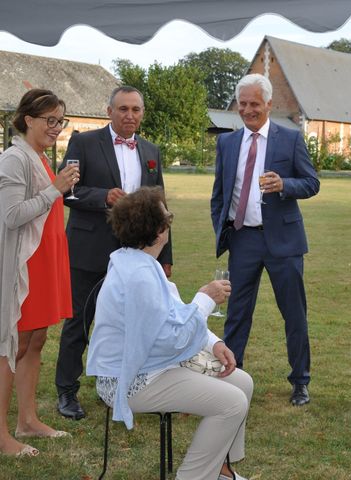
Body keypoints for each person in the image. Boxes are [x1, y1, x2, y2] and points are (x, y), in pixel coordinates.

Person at [87, 186, 252, 480]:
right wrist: (205, 298)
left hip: (150, 366)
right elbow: (172, 339)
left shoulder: (140, 262)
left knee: (242, 382)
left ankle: (221, 469)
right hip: (130, 380)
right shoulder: (139, 275)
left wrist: (214, 343)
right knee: (232, 402)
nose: (169, 225)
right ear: (158, 230)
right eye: (168, 218)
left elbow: (174, 316)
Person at [55, 85, 172, 420]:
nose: (129, 116)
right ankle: (67, 392)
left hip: (136, 256)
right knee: (79, 323)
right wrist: (103, 196)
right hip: (88, 250)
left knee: (132, 324)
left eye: (136, 110)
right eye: (123, 109)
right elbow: (68, 191)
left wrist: (164, 257)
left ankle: (124, 388)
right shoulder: (84, 142)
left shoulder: (151, 150)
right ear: (109, 111)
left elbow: (160, 207)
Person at [210, 73, 320, 406]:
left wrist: (285, 184)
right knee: (237, 315)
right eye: (242, 104)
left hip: (284, 242)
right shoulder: (227, 143)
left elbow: (311, 183)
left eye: (254, 104)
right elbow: (219, 194)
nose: (247, 110)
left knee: (294, 314)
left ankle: (300, 381)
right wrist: (224, 230)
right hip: (243, 240)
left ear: (269, 104)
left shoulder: (290, 139)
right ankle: (232, 376)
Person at [0, 89, 79, 456]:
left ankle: (27, 421)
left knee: (35, 342)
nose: (56, 128)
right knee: (11, 347)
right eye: (50, 120)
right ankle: (1, 434)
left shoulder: (39, 157)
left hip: (46, 262)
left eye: (59, 121)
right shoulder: (14, 158)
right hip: (23, 266)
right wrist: (55, 189)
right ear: (28, 119)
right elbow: (12, 215)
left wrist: (58, 185)